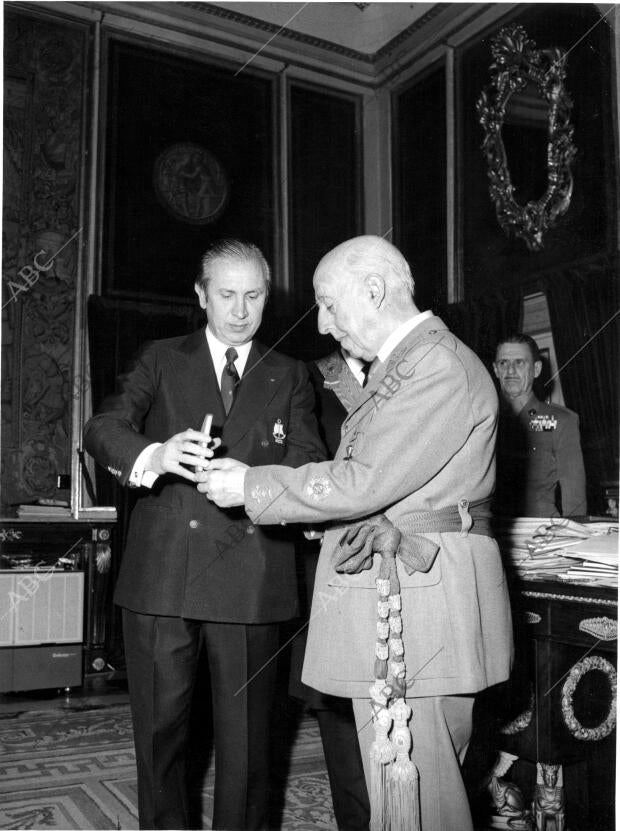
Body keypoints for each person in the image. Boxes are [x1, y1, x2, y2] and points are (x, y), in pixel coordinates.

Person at [197, 235, 514, 831]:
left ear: (373, 290)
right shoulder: (405, 366)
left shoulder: (435, 365)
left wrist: (255, 487)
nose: (322, 323)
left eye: (329, 303)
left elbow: (365, 480)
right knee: (404, 793)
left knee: (421, 800)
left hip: (422, 609)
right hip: (408, 603)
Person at [83, 238, 325, 830]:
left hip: (251, 583)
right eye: (225, 295)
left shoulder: (291, 374)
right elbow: (104, 427)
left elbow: (311, 461)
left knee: (248, 752)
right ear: (200, 295)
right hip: (163, 582)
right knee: (161, 743)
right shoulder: (161, 359)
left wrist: (255, 482)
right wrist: (158, 454)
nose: (240, 311)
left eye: (253, 296)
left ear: (268, 298)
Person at [289, 346, 371, 831]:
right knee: (339, 710)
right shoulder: (310, 377)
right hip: (331, 562)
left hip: (403, 558)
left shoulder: (416, 368)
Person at [493, 334, 587, 517]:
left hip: (541, 535)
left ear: (536, 369)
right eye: (503, 363)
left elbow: (575, 501)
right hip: (493, 537)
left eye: (520, 362)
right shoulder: (484, 420)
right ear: (495, 370)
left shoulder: (559, 421)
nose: (510, 370)